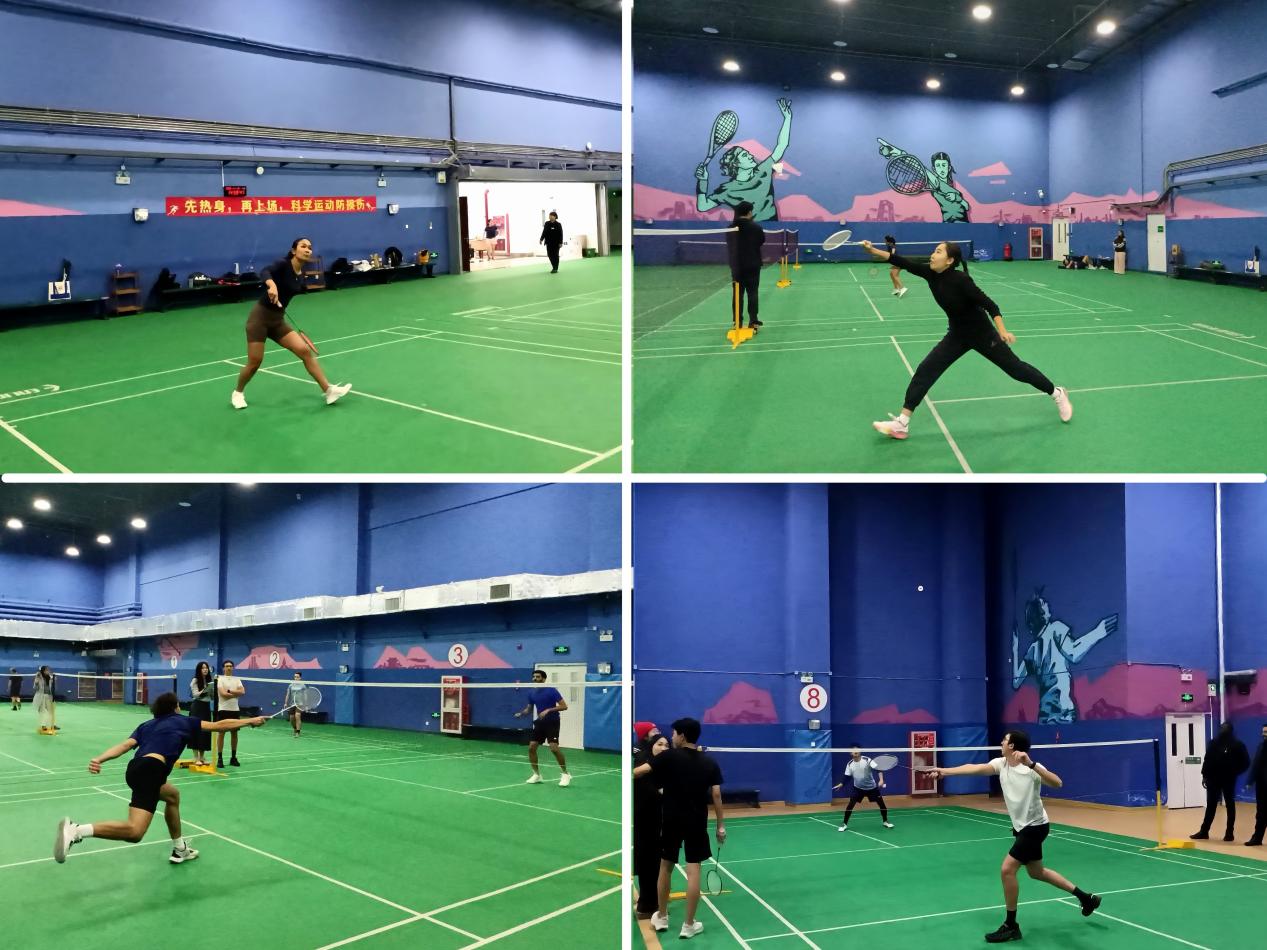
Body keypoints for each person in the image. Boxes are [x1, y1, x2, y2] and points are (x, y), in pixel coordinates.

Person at [860, 240, 1072, 440]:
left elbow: (991, 305)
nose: (933, 255)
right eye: (934, 251)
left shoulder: (961, 280)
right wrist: (873, 250)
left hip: (983, 335)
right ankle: (902, 423)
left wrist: (1002, 331)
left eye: (938, 252)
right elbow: (901, 261)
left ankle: (1057, 393)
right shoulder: (930, 274)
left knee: (1016, 370)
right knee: (926, 370)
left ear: (949, 260)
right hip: (957, 335)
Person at [52, 692, 265, 865]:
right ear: (175, 708)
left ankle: (180, 849)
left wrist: (100, 758)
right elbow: (220, 725)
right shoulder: (183, 721)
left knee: (172, 796)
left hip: (135, 769)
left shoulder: (146, 725)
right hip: (152, 771)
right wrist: (250, 721)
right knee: (135, 832)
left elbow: (125, 746)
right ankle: (77, 830)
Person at [928, 730, 1100, 943]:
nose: (1001, 742)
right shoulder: (1001, 764)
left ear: (1012, 746)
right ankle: (1086, 898)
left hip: (1035, 827)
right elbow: (975, 768)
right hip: (1022, 828)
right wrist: (944, 771)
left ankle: (1011, 925)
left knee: (1007, 870)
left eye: (1005, 740)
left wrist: (1032, 764)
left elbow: (1057, 783)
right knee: (1037, 872)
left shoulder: (1031, 769)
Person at [632, 717, 726, 941]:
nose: (671, 737)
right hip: (696, 822)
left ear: (682, 736)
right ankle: (689, 925)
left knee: (665, 867)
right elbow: (716, 794)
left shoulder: (668, 757)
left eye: (674, 734)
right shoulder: (709, 762)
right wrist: (720, 826)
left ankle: (662, 917)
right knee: (694, 871)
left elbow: (637, 772)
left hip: (671, 820)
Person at [230, 237, 351, 410]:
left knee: (304, 351)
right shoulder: (283, 264)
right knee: (255, 362)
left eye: (310, 247)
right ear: (294, 250)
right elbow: (265, 271)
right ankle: (238, 393)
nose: (307, 249)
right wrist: (271, 285)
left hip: (277, 321)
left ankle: (328, 390)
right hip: (259, 320)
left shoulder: (301, 275)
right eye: (303, 246)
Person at [696, 98, 793, 222]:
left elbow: (781, 146)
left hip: (771, 227)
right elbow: (702, 206)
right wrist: (703, 181)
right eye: (745, 155)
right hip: (744, 229)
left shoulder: (763, 170)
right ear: (736, 164)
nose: (751, 156)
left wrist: (787, 118)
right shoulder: (728, 189)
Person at [1191, 720, 1250, 841]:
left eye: (1225, 728)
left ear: (1230, 731)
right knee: (1211, 805)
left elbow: (1246, 762)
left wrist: (1235, 772)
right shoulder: (1213, 743)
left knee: (1230, 805)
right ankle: (1204, 831)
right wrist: (1204, 775)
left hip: (1229, 780)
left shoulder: (1238, 745)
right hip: (1213, 779)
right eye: (1222, 728)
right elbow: (1207, 759)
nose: (1223, 730)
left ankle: (1229, 833)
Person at [512, 669, 572, 786]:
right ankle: (536, 775)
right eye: (534, 677)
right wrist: (521, 713)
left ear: (543, 679)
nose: (535, 679)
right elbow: (529, 709)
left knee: (554, 748)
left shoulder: (552, 691)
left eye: (538, 677)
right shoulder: (531, 693)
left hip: (552, 722)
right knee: (532, 747)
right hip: (540, 722)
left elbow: (564, 706)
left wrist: (548, 710)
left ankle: (565, 774)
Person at [633, 722, 665, 919]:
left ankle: (650, 900)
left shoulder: (652, 759)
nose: (663, 746)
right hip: (646, 819)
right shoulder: (643, 760)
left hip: (653, 819)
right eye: (658, 740)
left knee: (652, 861)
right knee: (648, 861)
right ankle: (647, 905)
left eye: (666, 744)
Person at [726, 200, 766, 331]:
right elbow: (761, 241)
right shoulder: (756, 227)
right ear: (749, 212)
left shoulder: (731, 227)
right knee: (752, 293)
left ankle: (737, 322)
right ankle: (753, 321)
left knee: (737, 294)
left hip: (737, 266)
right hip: (753, 265)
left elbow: (730, 244)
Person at [834, 747, 894, 831]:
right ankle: (844, 824)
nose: (855, 752)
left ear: (860, 752)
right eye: (853, 751)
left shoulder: (867, 760)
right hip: (858, 788)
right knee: (850, 805)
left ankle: (885, 821)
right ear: (851, 753)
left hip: (872, 788)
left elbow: (878, 769)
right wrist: (841, 784)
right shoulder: (849, 764)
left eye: (857, 750)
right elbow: (847, 776)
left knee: (882, 805)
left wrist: (881, 780)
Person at [214, 660, 245, 769]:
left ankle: (233, 757)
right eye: (227, 666)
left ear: (233, 667)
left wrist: (229, 691)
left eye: (231, 666)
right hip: (223, 709)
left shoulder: (237, 679)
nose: (229, 668)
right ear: (223, 668)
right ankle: (220, 758)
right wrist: (236, 693)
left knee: (234, 734)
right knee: (221, 734)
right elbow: (223, 694)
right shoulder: (220, 679)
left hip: (235, 710)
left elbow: (242, 692)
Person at [188, 662, 214, 767]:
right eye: (203, 668)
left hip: (206, 707)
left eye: (206, 668)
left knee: (205, 731)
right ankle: (196, 757)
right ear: (199, 670)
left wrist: (212, 691)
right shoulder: (195, 680)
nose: (205, 669)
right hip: (197, 707)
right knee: (196, 730)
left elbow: (212, 697)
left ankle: (202, 757)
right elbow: (195, 695)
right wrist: (205, 689)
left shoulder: (209, 681)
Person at [1245, 723, 1267, 846]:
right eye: (1263, 732)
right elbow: (1255, 765)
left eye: (1266, 732)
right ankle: (1257, 838)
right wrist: (1250, 781)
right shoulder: (1261, 746)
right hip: (1262, 786)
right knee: (1260, 814)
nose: (1264, 734)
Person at [33, 665, 56, 731]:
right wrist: (36, 682)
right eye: (47, 670)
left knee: (51, 711)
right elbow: (35, 688)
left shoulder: (50, 677)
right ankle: (43, 725)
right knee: (42, 711)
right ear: (43, 671)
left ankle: (52, 725)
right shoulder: (38, 677)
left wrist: (53, 680)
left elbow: (51, 687)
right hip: (41, 696)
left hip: (49, 696)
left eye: (48, 670)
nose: (48, 671)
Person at [285, 671, 305, 737]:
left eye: (297, 677)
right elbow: (288, 694)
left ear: (300, 678)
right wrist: (285, 703)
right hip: (292, 704)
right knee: (291, 718)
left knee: (297, 715)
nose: (296, 678)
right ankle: (295, 729)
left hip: (300, 703)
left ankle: (298, 732)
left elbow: (305, 695)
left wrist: (306, 703)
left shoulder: (303, 685)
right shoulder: (291, 685)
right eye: (295, 677)